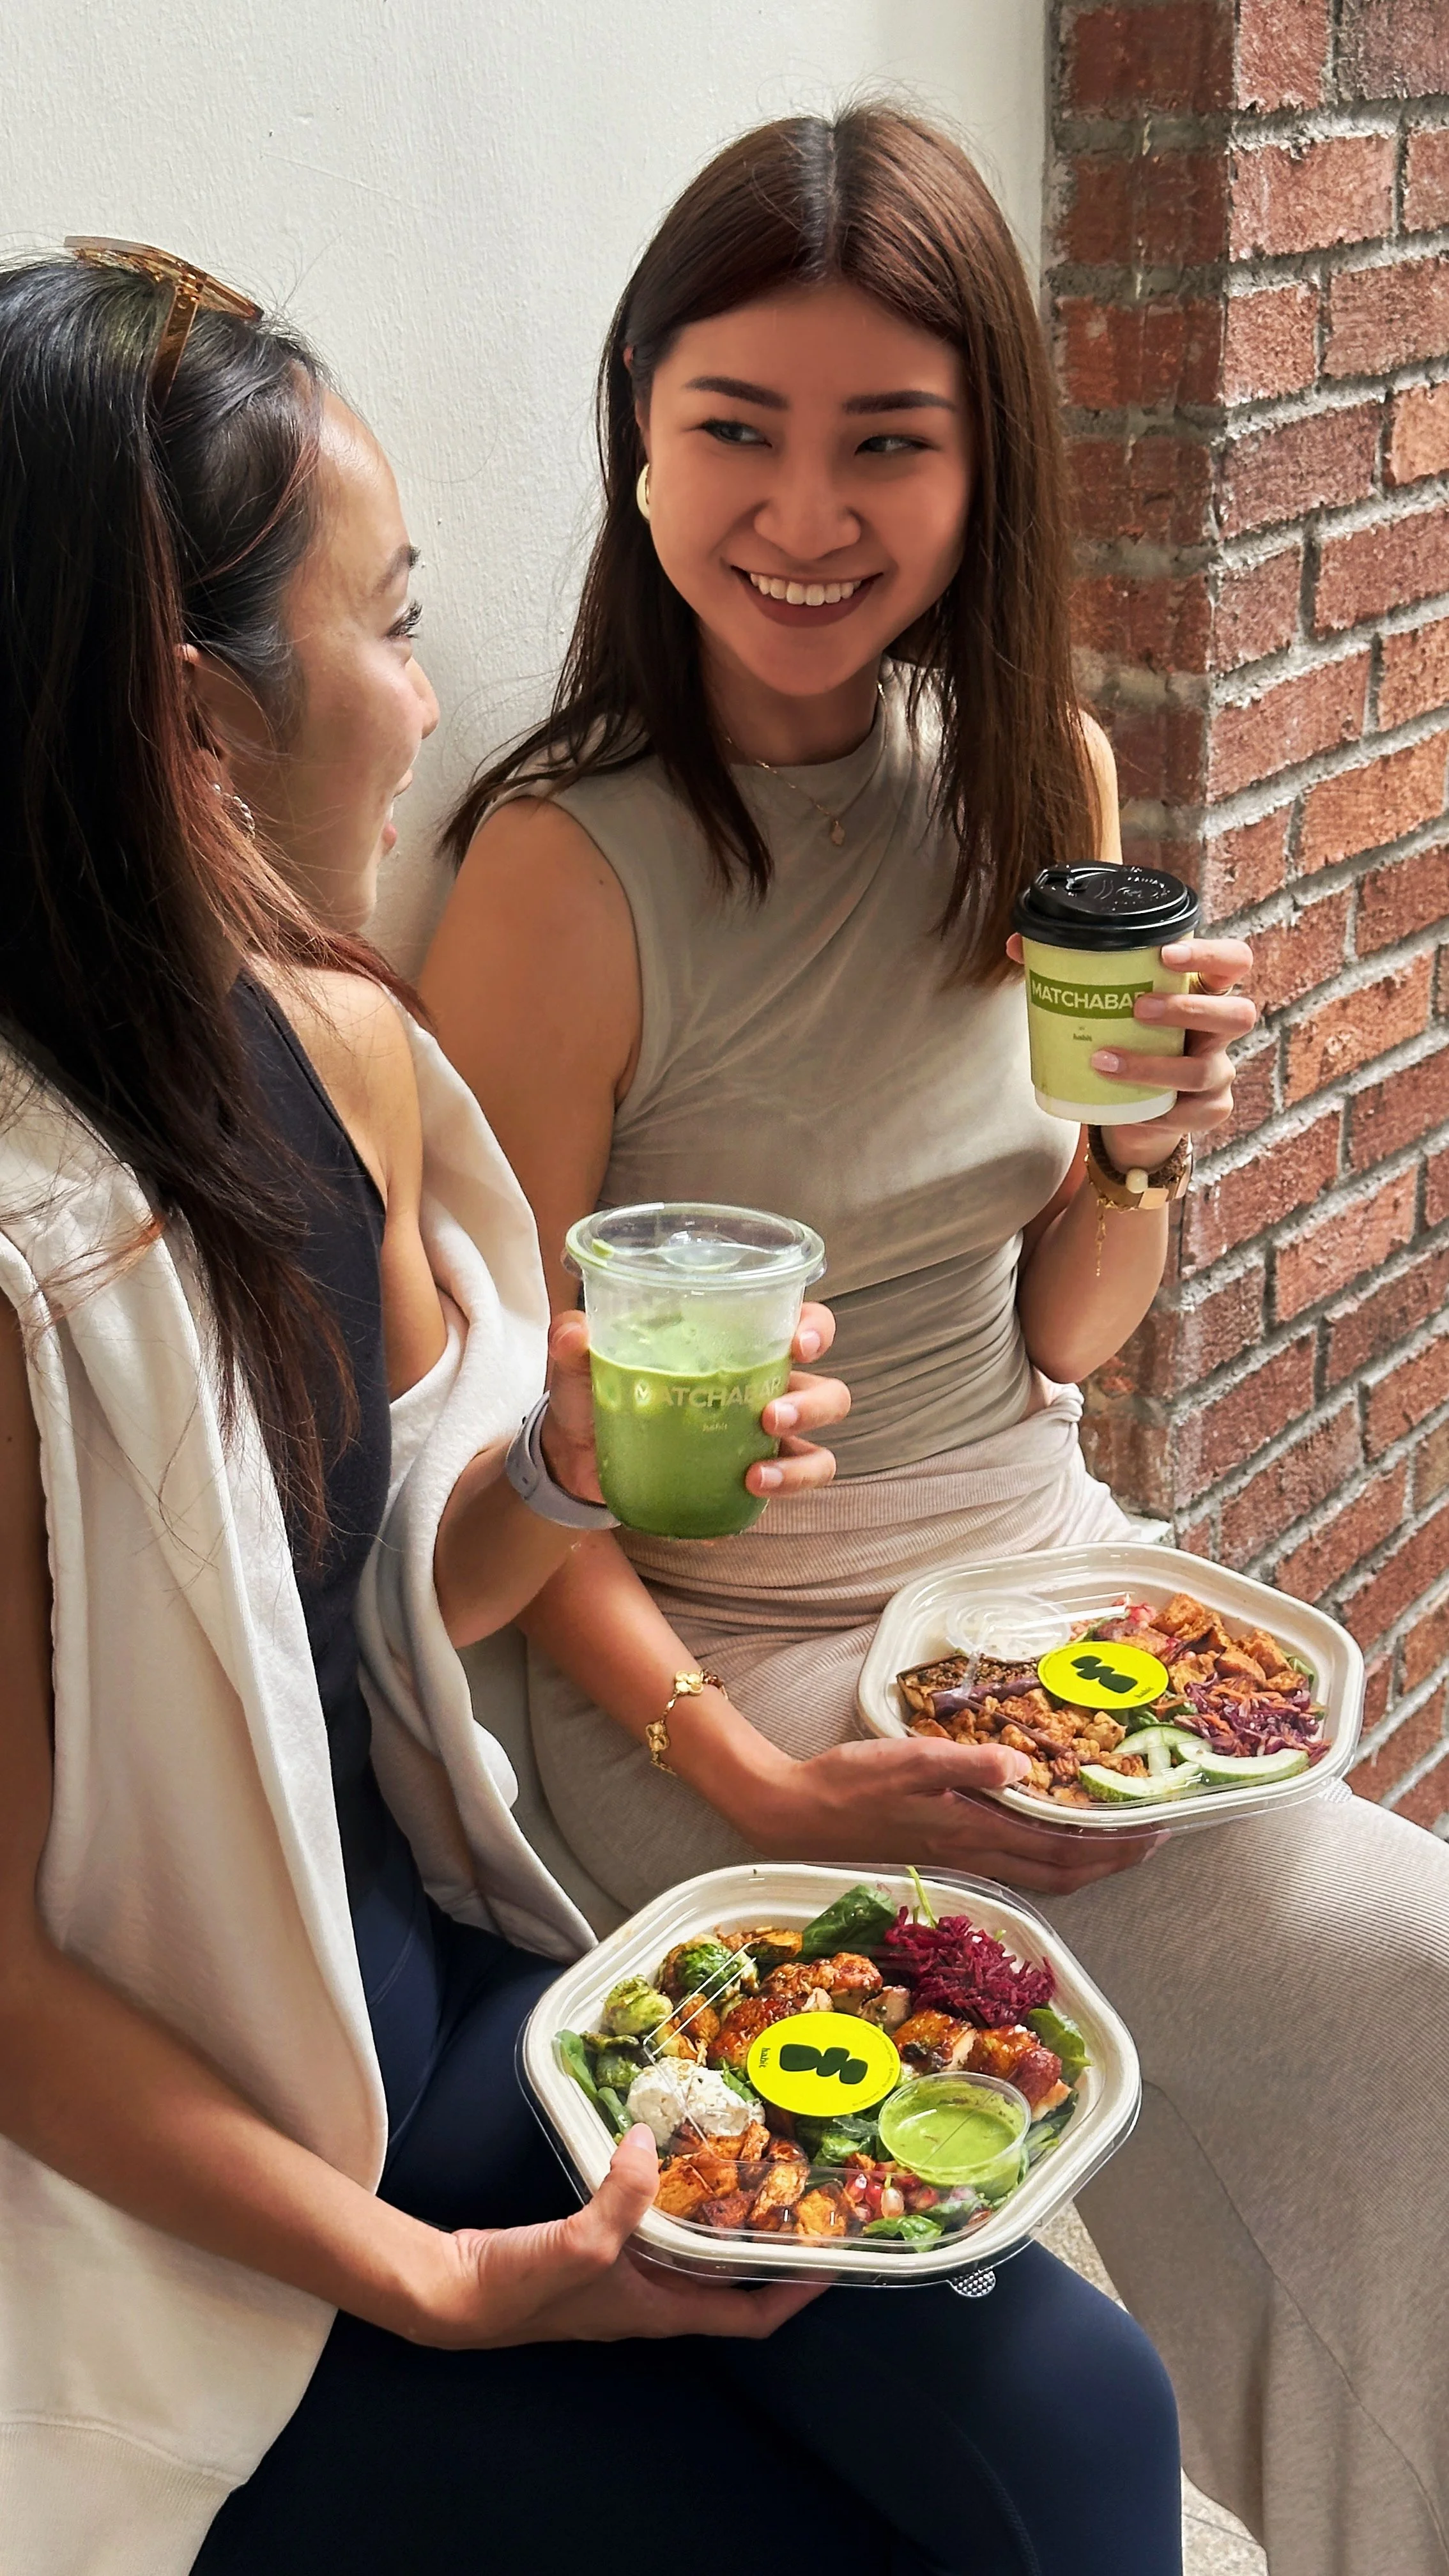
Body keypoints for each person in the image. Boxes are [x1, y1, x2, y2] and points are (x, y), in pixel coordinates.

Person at [0, 244, 1181, 2576]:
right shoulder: (38, 1257)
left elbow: (353, 1614)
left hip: (416, 2003)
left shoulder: (334, 1050)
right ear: (184, 714)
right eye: (394, 620)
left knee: (1068, 2413)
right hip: (154, 2179)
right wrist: (446, 2287)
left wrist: (557, 1471)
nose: (429, 703)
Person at [422, 107, 1449, 2576]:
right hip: (699, 1654)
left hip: (1029, 1583)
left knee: (1393, 2030)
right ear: (635, 437)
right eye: (736, 433)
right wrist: (758, 1793)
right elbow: (503, 1461)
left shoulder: (1036, 786)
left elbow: (1061, 1332)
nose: (805, 515)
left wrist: (1145, 1149)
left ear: (987, 462)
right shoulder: (561, 870)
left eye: (888, 441)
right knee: (1378, 1992)